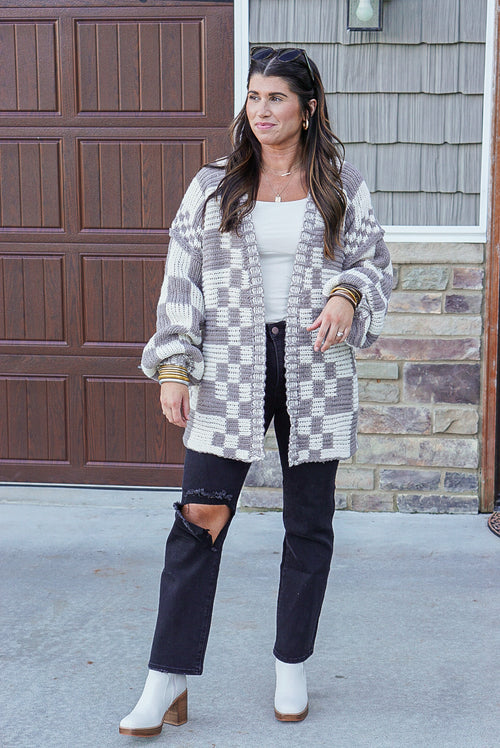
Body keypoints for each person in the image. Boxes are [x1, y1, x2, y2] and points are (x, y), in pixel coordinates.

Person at [119, 47, 392, 737]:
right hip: (229, 367)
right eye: (253, 97)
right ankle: (166, 678)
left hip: (314, 367)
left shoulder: (342, 185)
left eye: (276, 97)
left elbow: (372, 264)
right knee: (198, 519)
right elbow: (182, 278)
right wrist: (176, 366)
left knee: (308, 525)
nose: (262, 110)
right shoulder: (214, 185)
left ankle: (292, 665)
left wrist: (345, 296)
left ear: (307, 107)